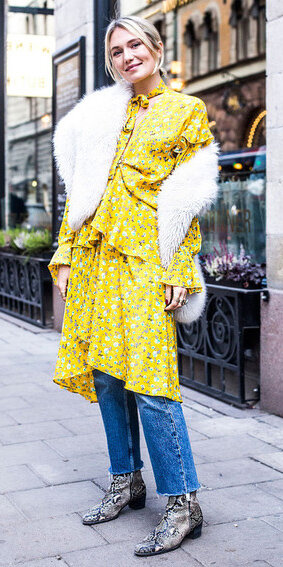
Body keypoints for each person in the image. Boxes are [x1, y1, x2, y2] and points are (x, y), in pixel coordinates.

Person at [49, 16, 218, 557]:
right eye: (117, 51)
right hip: (97, 262)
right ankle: (126, 481)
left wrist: (178, 266)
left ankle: (183, 502)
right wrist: (68, 253)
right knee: (106, 380)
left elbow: (189, 197)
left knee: (150, 384)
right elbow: (81, 192)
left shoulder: (185, 110)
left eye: (135, 45)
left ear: (157, 48)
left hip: (147, 262)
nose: (126, 56)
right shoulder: (101, 116)